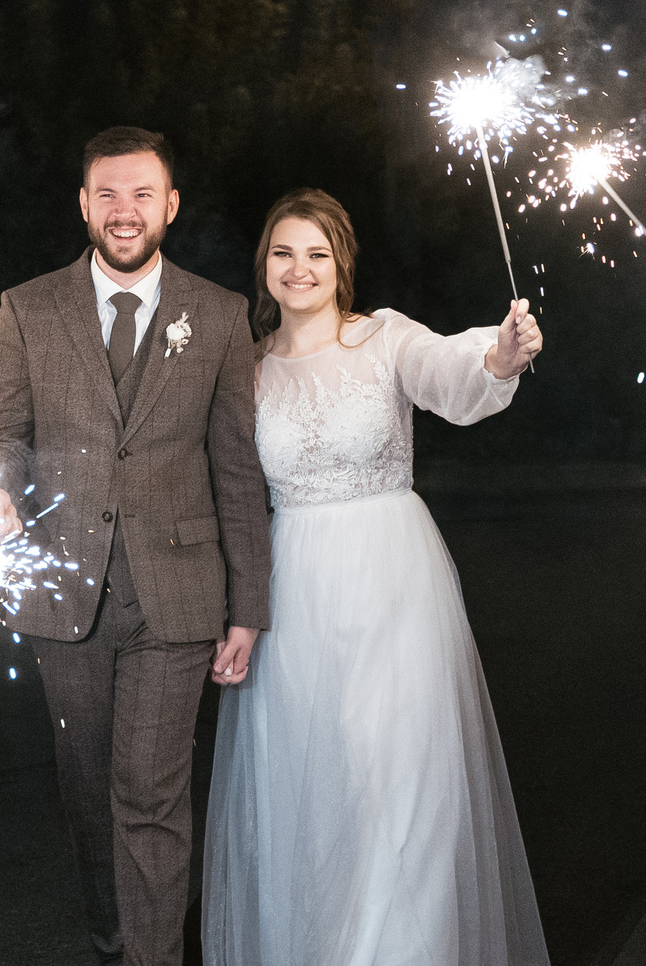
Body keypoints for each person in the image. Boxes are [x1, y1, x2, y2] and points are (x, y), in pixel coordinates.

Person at [200, 187, 545, 965]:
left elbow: (451, 368)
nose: (300, 268)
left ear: (340, 262)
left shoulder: (384, 336)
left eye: (316, 252)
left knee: (403, 788)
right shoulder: (247, 371)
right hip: (294, 595)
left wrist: (497, 355)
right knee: (318, 798)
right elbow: (228, 494)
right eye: (284, 252)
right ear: (265, 266)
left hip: (394, 580)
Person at [0, 127, 269, 966]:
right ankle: (112, 936)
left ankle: (149, 957)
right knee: (87, 791)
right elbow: (1, 432)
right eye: (108, 193)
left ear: (170, 204)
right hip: (63, 587)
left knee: (150, 794)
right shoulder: (29, 306)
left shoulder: (217, 314)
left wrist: (247, 607)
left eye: (142, 193)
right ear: (83, 204)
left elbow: (237, 471)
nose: (124, 210)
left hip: (176, 593)